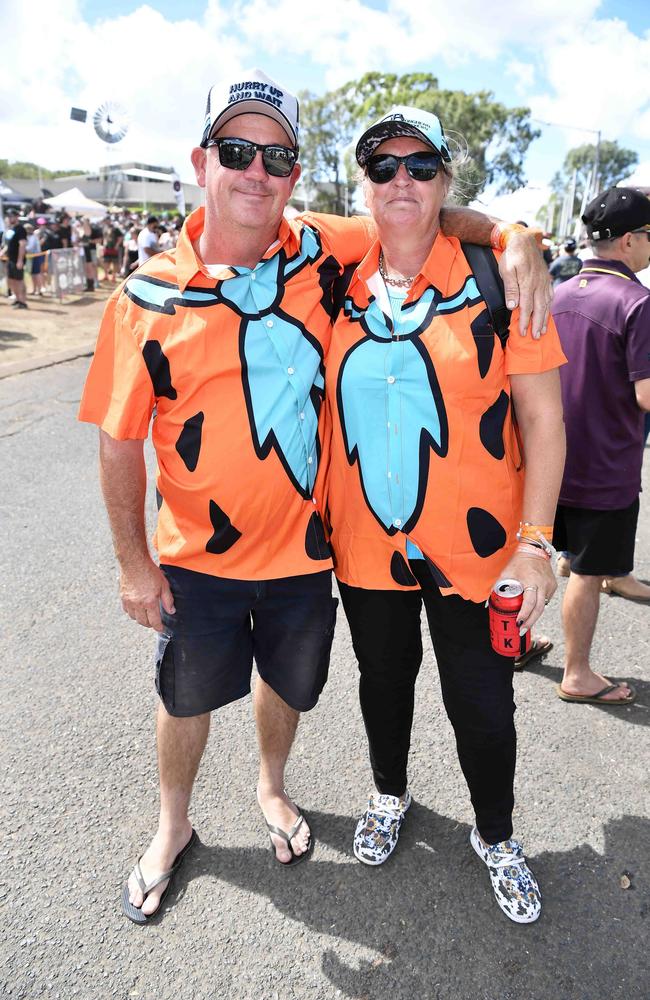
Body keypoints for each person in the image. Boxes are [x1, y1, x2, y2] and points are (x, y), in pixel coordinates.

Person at [77, 70, 552, 925]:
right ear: (201, 161)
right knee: (186, 698)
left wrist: (515, 231)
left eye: (278, 156)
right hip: (201, 555)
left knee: (297, 687)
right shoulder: (142, 295)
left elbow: (427, 215)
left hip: (308, 554)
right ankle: (172, 827)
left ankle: (278, 790)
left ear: (296, 176)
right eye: (237, 150)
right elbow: (116, 438)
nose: (257, 171)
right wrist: (132, 565)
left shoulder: (322, 248)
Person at [324, 106, 567, 924]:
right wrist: (513, 225)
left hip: (480, 554)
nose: (402, 181)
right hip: (365, 549)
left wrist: (537, 546)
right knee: (383, 685)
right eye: (383, 166)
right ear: (360, 182)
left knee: (484, 707)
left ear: (447, 181)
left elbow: (544, 421)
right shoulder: (328, 271)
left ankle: (494, 835)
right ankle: (390, 794)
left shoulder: (499, 277)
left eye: (421, 166)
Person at [551, 186, 650, 702]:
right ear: (630, 241)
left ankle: (517, 638)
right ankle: (577, 673)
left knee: (546, 560)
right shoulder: (637, 302)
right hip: (604, 467)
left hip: (551, 463)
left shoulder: (560, 293)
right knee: (587, 575)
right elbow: (646, 393)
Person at [5, 208, 28, 308]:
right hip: (10, 259)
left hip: (17, 260)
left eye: (12, 216)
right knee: (11, 280)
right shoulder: (11, 229)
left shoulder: (21, 229)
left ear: (17, 217)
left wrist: (20, 260)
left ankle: (22, 302)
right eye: (9, 216)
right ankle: (17, 299)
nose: (10, 218)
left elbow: (22, 245)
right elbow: (9, 244)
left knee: (19, 281)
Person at [24, 223, 45, 295]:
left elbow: (30, 248)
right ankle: (34, 289)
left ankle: (39, 290)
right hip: (32, 257)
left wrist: (22, 248)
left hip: (36, 257)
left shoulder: (33, 237)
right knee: (33, 274)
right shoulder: (30, 237)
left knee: (36, 274)